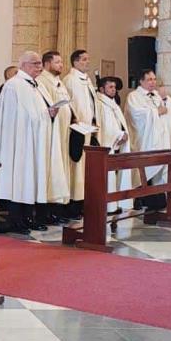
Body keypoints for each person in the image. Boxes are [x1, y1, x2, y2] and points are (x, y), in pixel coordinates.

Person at [0, 51, 57, 234]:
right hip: (18, 143)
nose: (39, 67)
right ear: (24, 65)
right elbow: (15, 118)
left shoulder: (36, 86)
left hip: (33, 141)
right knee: (19, 179)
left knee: (31, 179)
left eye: (39, 64)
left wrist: (49, 114)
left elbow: (38, 112)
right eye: (35, 63)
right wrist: (42, 116)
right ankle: (16, 220)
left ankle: (29, 217)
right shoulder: (13, 86)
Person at [125, 69, 171, 211]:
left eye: (154, 79)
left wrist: (165, 100)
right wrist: (155, 112)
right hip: (144, 139)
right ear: (141, 81)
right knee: (142, 169)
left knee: (158, 169)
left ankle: (157, 199)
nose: (153, 82)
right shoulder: (134, 96)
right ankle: (140, 199)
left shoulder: (156, 95)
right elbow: (136, 115)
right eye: (149, 79)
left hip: (158, 140)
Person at [63, 49, 101, 218]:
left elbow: (92, 104)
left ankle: (83, 203)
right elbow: (69, 105)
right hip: (77, 131)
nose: (87, 62)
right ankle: (73, 205)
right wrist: (76, 120)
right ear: (75, 62)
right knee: (76, 169)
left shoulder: (87, 80)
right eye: (84, 59)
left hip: (89, 130)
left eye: (88, 59)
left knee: (86, 170)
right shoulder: (70, 80)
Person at [36, 52, 72, 223]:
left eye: (62, 61)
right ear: (47, 63)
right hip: (52, 135)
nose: (61, 65)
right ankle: (49, 211)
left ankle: (59, 208)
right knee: (51, 173)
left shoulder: (59, 82)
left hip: (63, 134)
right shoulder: (43, 81)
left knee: (60, 172)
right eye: (57, 62)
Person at [96, 76, 133, 214]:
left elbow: (118, 122)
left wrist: (123, 134)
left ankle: (114, 203)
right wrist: (118, 135)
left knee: (115, 175)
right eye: (110, 87)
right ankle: (108, 206)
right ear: (102, 89)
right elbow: (104, 126)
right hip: (107, 143)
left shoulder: (112, 103)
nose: (114, 90)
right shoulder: (100, 103)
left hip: (116, 143)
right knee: (109, 176)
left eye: (114, 87)